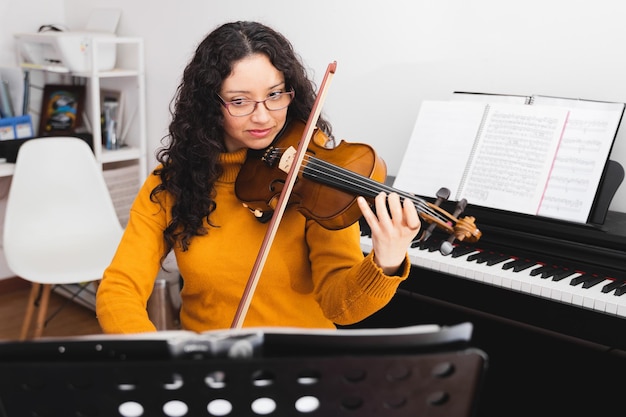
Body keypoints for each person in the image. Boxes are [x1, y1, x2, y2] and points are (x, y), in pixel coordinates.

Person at [95, 21, 420, 334]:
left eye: (276, 95)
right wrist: (158, 358)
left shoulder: (314, 182)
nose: (263, 116)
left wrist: (385, 262)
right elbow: (119, 288)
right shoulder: (173, 183)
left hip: (303, 365)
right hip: (215, 365)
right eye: (239, 101)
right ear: (209, 105)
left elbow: (341, 309)